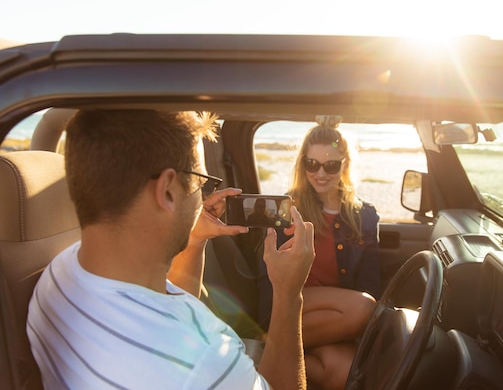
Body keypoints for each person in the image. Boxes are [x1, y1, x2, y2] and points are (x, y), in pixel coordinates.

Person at [27, 109, 314, 390]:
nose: (204, 197)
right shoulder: (207, 362)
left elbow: (164, 312)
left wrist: (194, 239)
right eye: (201, 183)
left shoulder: (59, 272)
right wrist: (288, 294)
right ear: (166, 190)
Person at [258, 116, 380, 390]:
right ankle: (275, 344)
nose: (320, 173)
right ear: (303, 163)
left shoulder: (365, 216)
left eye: (330, 165)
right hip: (287, 304)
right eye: (312, 164)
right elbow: (267, 273)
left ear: (345, 164)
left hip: (333, 318)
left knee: (345, 372)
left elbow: (370, 282)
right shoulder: (287, 209)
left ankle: (268, 358)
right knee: (363, 307)